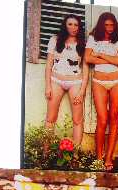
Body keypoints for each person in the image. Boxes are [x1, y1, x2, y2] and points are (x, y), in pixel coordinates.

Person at [85, 12, 118, 171]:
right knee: (102, 120)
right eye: (107, 25)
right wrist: (111, 58)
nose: (109, 28)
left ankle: (109, 157)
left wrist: (101, 54)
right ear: (101, 24)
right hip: (99, 82)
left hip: (117, 82)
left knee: (113, 118)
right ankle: (98, 158)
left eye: (112, 25)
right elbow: (88, 59)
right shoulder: (92, 38)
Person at [45, 14, 89, 147]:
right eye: (70, 24)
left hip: (75, 83)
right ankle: (45, 153)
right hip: (56, 81)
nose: (73, 27)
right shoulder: (55, 40)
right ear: (65, 25)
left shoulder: (83, 43)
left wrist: (82, 91)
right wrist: (48, 86)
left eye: (76, 25)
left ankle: (74, 154)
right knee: (50, 118)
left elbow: (86, 68)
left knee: (77, 120)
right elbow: (48, 65)